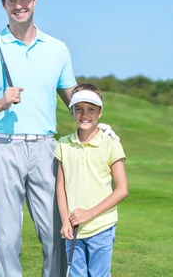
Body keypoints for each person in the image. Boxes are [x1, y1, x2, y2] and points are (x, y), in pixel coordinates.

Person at [0, 0, 119, 277]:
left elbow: (73, 99)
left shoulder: (57, 49)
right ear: (4, 5)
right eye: (12, 0)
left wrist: (99, 123)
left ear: (34, 0)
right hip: (1, 146)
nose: (19, 5)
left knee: (57, 233)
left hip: (46, 149)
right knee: (7, 238)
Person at [55, 83, 128, 277]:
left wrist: (90, 213)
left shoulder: (111, 143)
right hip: (73, 227)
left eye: (91, 109)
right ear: (71, 111)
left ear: (100, 112)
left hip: (101, 225)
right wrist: (64, 221)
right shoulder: (63, 144)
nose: (84, 114)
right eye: (78, 109)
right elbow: (60, 187)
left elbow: (122, 189)